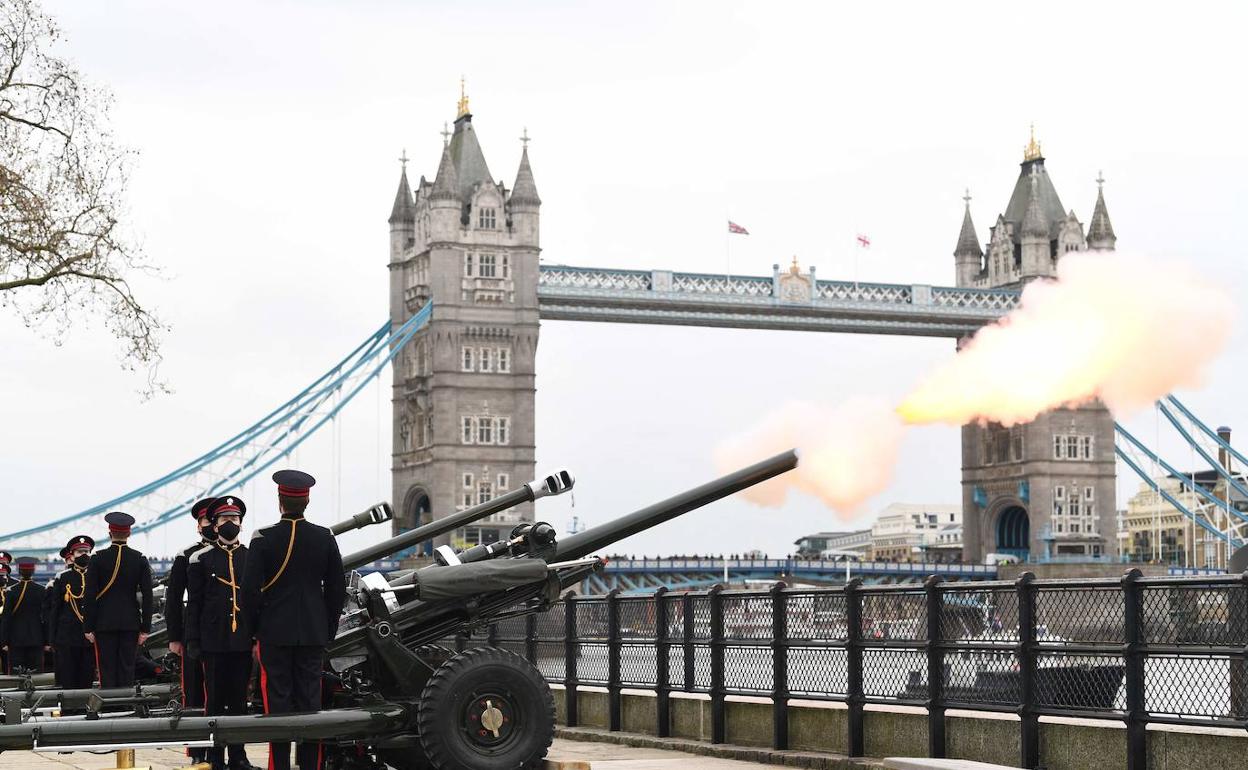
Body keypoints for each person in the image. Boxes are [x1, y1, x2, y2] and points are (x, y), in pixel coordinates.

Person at [241, 470, 346, 770]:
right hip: (313, 634)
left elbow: (249, 592)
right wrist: (327, 628)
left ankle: (280, 767)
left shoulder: (263, 538)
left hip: (274, 633)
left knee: (277, 705)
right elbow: (336, 589)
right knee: (311, 705)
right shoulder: (324, 537)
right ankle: (311, 766)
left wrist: (256, 630)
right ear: (307, 500)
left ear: (280, 501)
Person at [187, 495, 260, 770]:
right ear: (215, 526)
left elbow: (257, 599)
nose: (230, 523)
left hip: (242, 639)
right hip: (214, 641)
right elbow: (194, 603)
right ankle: (215, 757)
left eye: (234, 519)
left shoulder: (251, 557)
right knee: (215, 702)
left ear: (241, 523)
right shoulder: (200, 559)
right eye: (224, 519)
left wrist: (257, 636)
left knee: (240, 701)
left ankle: (238, 757)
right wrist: (193, 639)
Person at [166, 497, 216, 767]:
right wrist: (175, 636)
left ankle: (223, 748)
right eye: (206, 521)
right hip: (192, 632)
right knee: (194, 692)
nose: (210, 525)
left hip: (224, 633)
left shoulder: (236, 552)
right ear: (199, 525)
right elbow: (174, 600)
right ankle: (197, 750)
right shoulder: (186, 555)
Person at [82, 512, 154, 687]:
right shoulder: (139, 559)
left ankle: (110, 707)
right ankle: (126, 706)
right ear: (129, 534)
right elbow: (147, 595)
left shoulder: (98, 559)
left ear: (109, 533)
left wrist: (88, 627)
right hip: (131, 623)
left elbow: (90, 595)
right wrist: (145, 628)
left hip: (103, 623)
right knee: (127, 667)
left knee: (106, 668)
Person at [46, 535, 96, 689]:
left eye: (87, 551)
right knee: (68, 677)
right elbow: (55, 609)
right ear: (72, 555)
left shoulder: (95, 575)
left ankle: (86, 710)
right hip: (67, 636)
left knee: (87, 676)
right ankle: (69, 710)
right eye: (80, 552)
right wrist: (52, 638)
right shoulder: (63, 577)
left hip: (89, 636)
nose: (84, 554)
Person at [1, 558, 46, 673]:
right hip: (36, 637)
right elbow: (46, 617)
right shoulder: (41, 590)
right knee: (36, 674)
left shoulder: (11, 591)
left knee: (17, 674)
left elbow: (6, 618)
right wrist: (47, 641)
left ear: (19, 571)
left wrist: (4, 641)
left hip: (15, 639)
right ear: (34, 570)